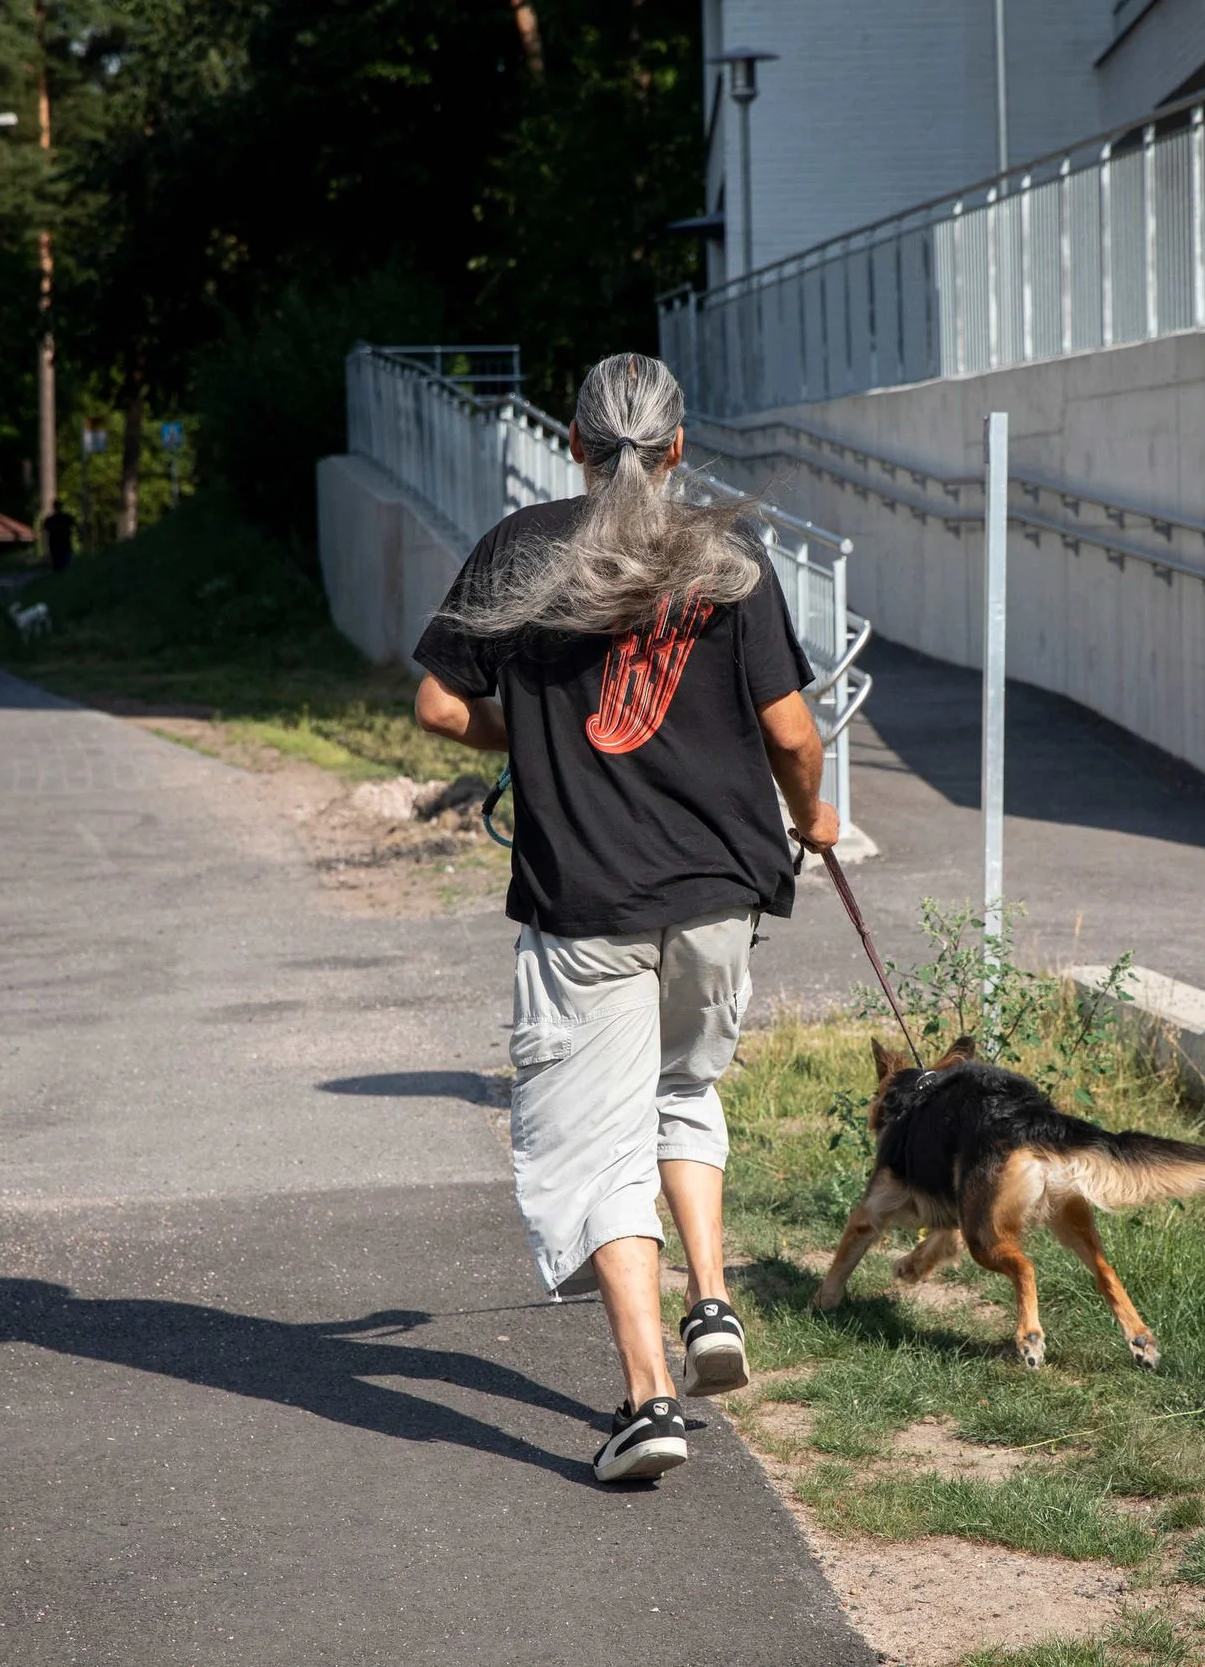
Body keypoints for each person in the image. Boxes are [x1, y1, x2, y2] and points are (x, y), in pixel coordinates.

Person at [413, 352, 839, 1485]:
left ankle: (650, 1399)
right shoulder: (726, 558)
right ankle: (710, 1296)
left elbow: (438, 702)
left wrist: (527, 744)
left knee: (594, 1146)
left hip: (585, 904)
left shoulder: (519, 551)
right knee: (682, 1089)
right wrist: (816, 816)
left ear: (573, 440)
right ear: (680, 445)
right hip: (718, 895)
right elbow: (793, 734)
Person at [43, 500, 77, 574]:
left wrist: (46, 548)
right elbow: (76, 526)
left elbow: (45, 534)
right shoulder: (67, 518)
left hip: (55, 546)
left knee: (57, 568)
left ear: (53, 507)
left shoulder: (50, 520)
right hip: (65, 545)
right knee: (66, 567)